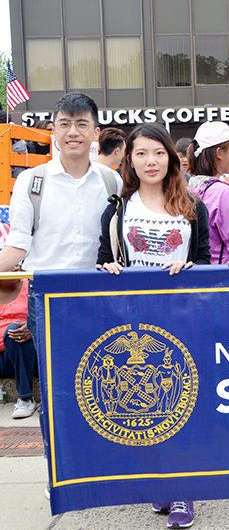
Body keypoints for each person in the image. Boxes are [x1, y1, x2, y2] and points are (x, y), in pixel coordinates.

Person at [0, 92, 122, 499]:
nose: (73, 132)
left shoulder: (111, 181)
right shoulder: (31, 182)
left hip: (99, 298)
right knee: (56, 391)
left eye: (81, 124)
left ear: (95, 133)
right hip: (47, 300)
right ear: (53, 130)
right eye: (65, 124)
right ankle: (64, 475)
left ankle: (103, 467)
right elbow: (16, 246)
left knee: (105, 385)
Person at [97, 122, 209, 528]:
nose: (150, 161)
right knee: (147, 412)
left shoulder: (193, 206)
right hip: (135, 326)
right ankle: (159, 482)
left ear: (171, 158)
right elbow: (102, 257)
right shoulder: (117, 209)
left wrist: (193, 268)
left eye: (158, 152)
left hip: (183, 319)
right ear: (129, 159)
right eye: (141, 153)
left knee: (181, 404)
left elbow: (207, 262)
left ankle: (183, 491)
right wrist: (107, 266)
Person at [187, 121, 229, 265]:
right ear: (219, 153)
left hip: (199, 271)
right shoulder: (221, 191)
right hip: (223, 273)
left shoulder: (189, 188)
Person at [0, 264, 36, 419]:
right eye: (10, 263)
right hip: (2, 360)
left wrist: (32, 327)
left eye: (18, 263)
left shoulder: (31, 286)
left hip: (25, 356)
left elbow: (46, 314)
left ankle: (25, 398)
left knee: (16, 329)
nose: (16, 266)